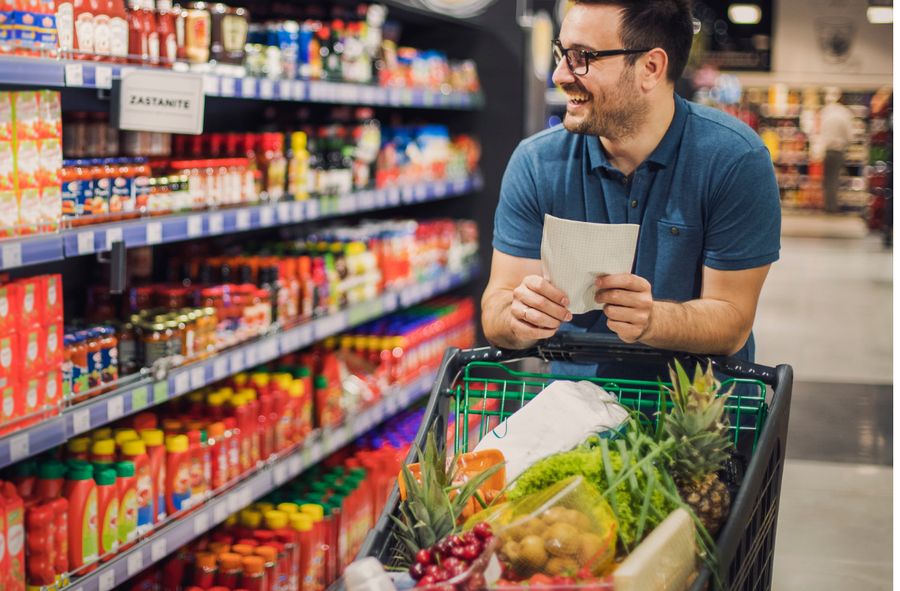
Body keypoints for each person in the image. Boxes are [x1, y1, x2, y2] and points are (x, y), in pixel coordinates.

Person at [481, 0, 781, 377]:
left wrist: (653, 319)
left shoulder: (734, 160)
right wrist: (518, 317)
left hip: (699, 417)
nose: (559, 74)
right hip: (571, 416)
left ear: (650, 68)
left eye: (582, 57)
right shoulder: (537, 162)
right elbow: (496, 309)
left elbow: (733, 319)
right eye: (561, 53)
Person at [819, 89, 856, 214]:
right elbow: (850, 135)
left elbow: (820, 132)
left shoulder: (826, 111)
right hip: (838, 150)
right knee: (834, 179)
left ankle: (827, 205)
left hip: (827, 150)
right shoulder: (844, 113)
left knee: (827, 179)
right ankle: (832, 207)